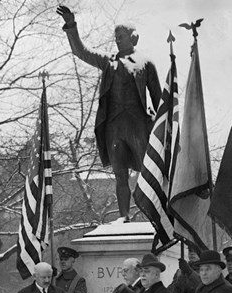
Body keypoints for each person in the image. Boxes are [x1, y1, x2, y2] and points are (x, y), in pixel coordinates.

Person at [56, 5, 162, 223]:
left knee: (147, 172)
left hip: (138, 126)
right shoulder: (108, 62)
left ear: (135, 38)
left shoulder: (146, 64)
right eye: (116, 37)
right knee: (120, 175)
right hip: (113, 127)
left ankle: (154, 215)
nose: (117, 40)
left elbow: (159, 99)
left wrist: (163, 128)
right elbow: (81, 52)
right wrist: (71, 26)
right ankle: (124, 218)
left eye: (121, 36)